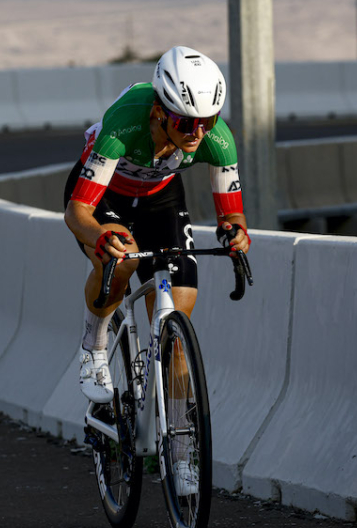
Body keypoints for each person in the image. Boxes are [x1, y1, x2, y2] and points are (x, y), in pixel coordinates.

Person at [63, 45, 251, 407]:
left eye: (208, 121)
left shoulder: (218, 140)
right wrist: (99, 236)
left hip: (160, 198)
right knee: (122, 258)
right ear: (159, 112)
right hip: (105, 196)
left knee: (177, 323)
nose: (198, 133)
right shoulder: (125, 123)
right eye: (186, 123)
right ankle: (93, 346)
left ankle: (179, 441)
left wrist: (236, 234)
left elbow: (232, 217)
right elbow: (77, 212)